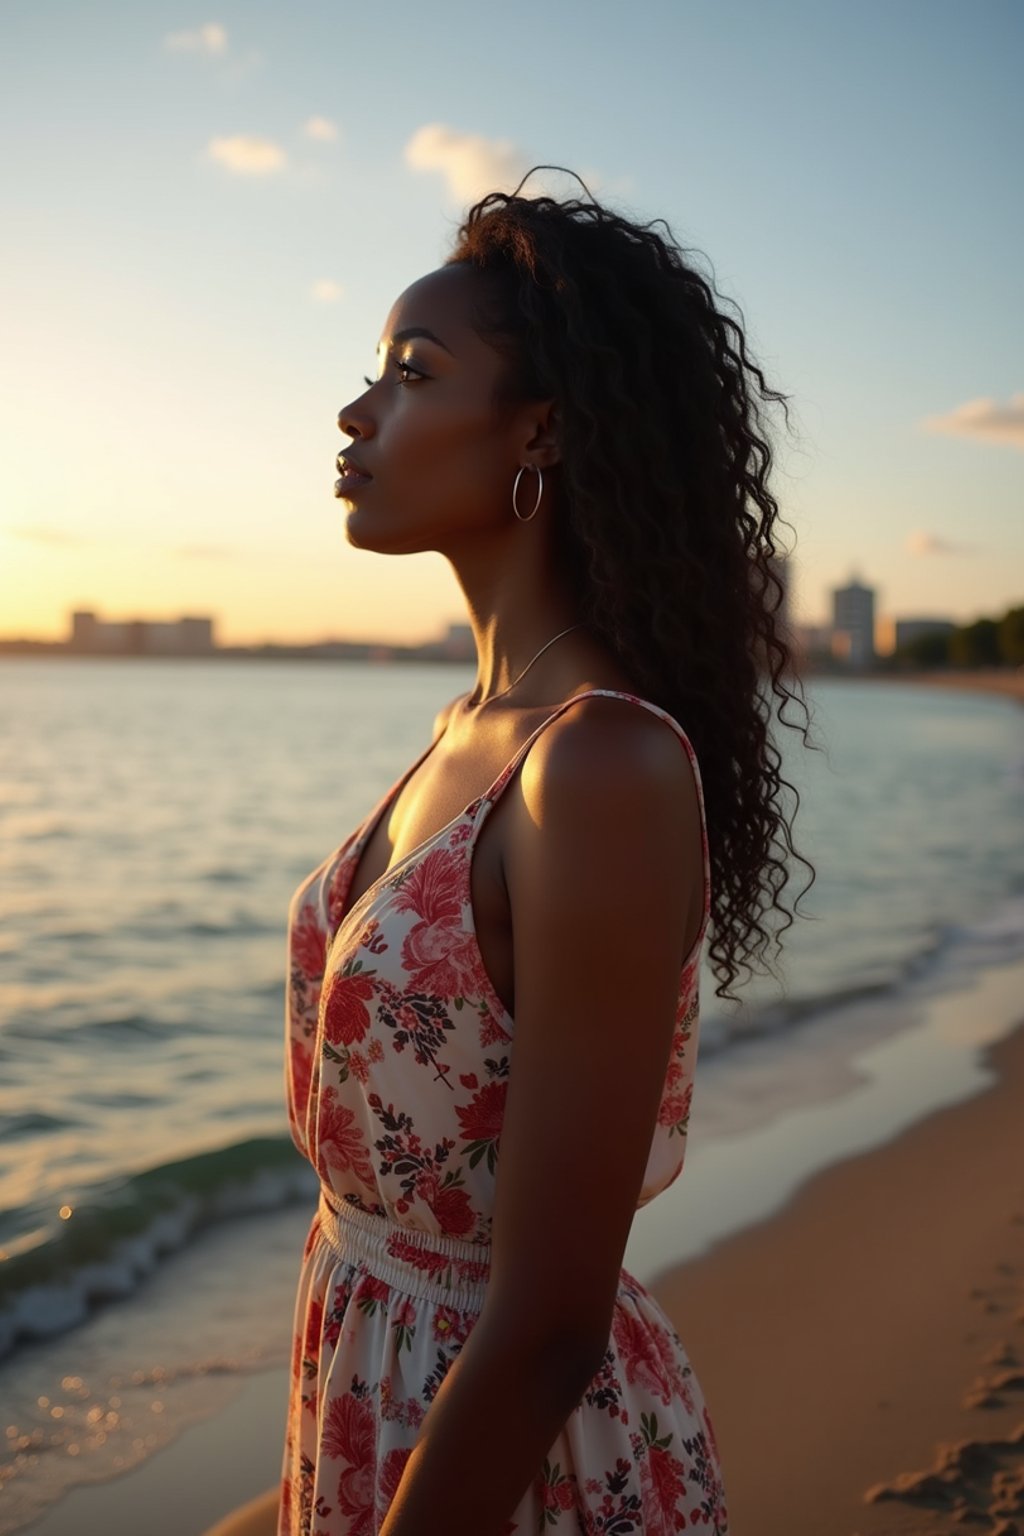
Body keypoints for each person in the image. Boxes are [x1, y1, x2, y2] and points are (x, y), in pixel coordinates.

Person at [205, 165, 813, 1536]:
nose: (358, 412)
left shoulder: (597, 766)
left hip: (512, 1478)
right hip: (382, 1402)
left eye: (412, 374)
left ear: (539, 428)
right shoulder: (472, 726)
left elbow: (546, 1326)